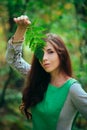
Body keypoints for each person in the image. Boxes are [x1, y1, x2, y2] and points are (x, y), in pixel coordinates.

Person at [6, 15, 87, 130]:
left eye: (50, 52)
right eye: (41, 53)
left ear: (61, 54)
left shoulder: (73, 89)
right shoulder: (38, 77)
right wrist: (21, 29)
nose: (44, 58)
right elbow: (13, 59)